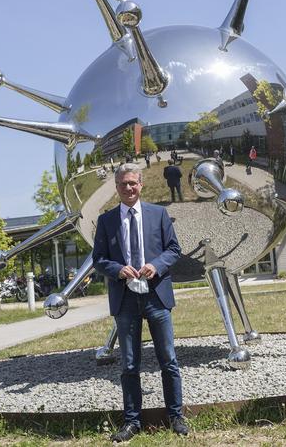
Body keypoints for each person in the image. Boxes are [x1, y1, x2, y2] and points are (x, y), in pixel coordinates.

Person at [93, 163, 188, 442]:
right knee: (129, 364)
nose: (129, 188)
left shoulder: (158, 214)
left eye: (133, 183)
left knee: (168, 360)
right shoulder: (106, 220)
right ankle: (132, 422)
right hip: (125, 299)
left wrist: (156, 265)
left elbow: (174, 250)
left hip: (156, 295)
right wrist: (117, 269)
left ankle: (176, 416)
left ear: (141, 184)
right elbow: (99, 259)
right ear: (116, 187)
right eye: (123, 184)